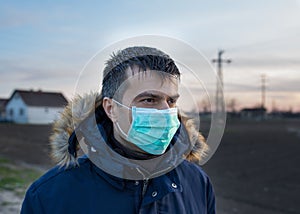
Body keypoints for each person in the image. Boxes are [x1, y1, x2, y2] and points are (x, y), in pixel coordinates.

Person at [21, 46, 216, 213]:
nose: (166, 111)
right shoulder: (49, 196)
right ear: (111, 108)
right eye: (149, 100)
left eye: (171, 101)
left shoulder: (197, 183)